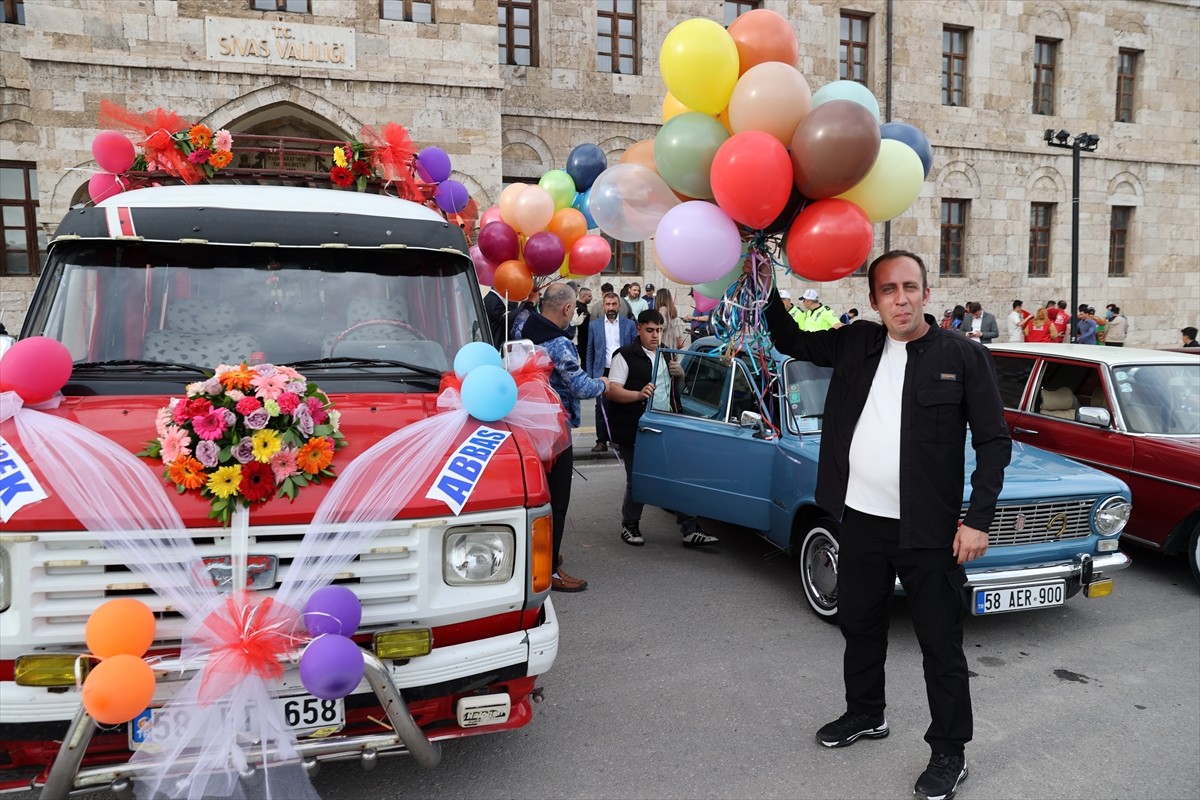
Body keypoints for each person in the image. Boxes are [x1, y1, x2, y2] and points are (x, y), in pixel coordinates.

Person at [758, 250, 1011, 800]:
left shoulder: (962, 357)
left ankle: (949, 751)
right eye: (889, 290)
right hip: (860, 521)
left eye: (911, 287)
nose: (901, 298)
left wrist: (978, 520)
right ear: (873, 300)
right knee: (860, 626)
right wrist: (761, 279)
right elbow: (789, 339)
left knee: (940, 645)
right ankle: (866, 713)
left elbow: (994, 443)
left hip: (930, 531)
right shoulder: (855, 343)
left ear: (925, 292)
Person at [510, 282, 609, 592]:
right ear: (568, 309)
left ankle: (540, 556)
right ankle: (548, 569)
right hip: (555, 431)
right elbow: (581, 387)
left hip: (523, 423)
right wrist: (605, 383)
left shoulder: (521, 326)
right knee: (556, 501)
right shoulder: (559, 343)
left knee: (535, 497)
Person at [605, 309, 719, 548]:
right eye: (650, 330)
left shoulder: (667, 355)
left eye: (659, 330)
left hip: (666, 425)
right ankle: (630, 525)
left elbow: (674, 394)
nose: (656, 335)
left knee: (677, 475)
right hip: (636, 429)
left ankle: (690, 528)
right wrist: (637, 394)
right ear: (638, 329)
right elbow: (613, 390)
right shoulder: (624, 356)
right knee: (638, 479)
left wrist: (681, 376)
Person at [586, 292, 636, 452]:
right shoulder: (595, 325)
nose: (611, 307)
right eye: (608, 304)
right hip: (602, 370)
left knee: (620, 405)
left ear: (619, 306)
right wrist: (590, 375)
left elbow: (635, 348)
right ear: (603, 306)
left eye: (614, 304)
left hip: (622, 370)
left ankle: (616, 439)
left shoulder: (629, 325)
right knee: (601, 406)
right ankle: (601, 440)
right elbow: (590, 351)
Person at [573, 287, 594, 369]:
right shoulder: (579, 309)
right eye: (589, 296)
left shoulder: (582, 307)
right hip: (582, 340)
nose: (591, 298)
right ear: (583, 296)